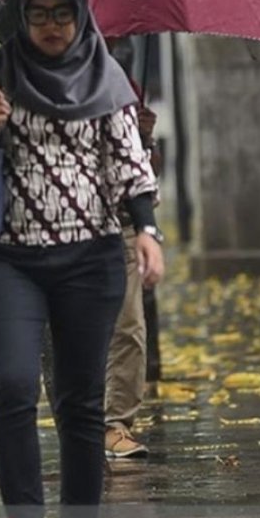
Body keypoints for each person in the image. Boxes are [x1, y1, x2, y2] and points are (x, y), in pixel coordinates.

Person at [0, 0, 165, 518]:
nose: (52, 26)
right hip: (9, 259)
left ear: (79, 15)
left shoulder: (105, 75)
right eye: (39, 14)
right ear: (22, 17)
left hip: (91, 258)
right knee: (12, 387)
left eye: (62, 13)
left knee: (80, 403)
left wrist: (147, 230)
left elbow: (128, 162)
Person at [103, 37, 163, 459]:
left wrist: (145, 137)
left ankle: (116, 424)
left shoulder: (122, 83)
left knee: (129, 327)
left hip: (121, 223)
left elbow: (141, 169)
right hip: (61, 232)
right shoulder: (21, 77)